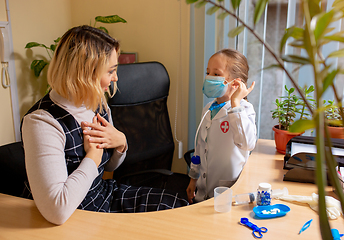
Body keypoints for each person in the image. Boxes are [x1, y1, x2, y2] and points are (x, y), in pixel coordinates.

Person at [21, 25, 188, 225]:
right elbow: (57, 211)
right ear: (84, 73)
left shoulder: (95, 103)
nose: (116, 78)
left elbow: (110, 165)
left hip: (102, 196)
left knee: (177, 206)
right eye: (110, 71)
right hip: (73, 216)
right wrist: (92, 157)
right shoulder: (42, 123)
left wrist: (120, 143)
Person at [186, 48, 257, 203]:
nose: (209, 77)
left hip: (228, 193)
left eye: (216, 74)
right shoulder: (208, 109)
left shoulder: (244, 110)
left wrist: (235, 104)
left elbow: (247, 144)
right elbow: (199, 147)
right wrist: (193, 178)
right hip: (202, 191)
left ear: (235, 82)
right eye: (208, 72)